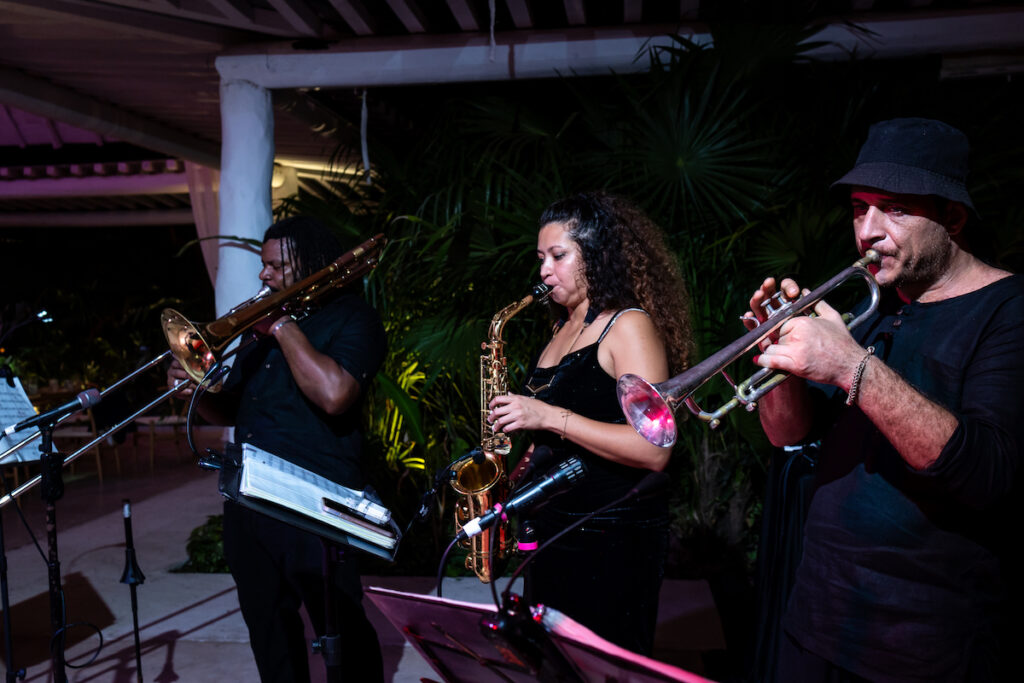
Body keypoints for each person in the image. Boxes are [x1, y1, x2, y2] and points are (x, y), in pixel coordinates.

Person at [745, 118, 1024, 681]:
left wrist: (850, 365)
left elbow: (987, 471)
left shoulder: (1008, 310)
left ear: (952, 217)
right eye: (858, 207)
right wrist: (778, 361)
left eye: (894, 208)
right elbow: (791, 436)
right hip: (818, 618)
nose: (867, 230)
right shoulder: (875, 311)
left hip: (924, 646)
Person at [168, 216, 387, 683]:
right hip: (249, 498)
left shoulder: (354, 318)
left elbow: (335, 394)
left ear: (310, 264)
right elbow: (232, 410)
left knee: (341, 626)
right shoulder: (259, 331)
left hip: (315, 502)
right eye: (262, 266)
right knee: (268, 626)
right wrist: (197, 393)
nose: (263, 276)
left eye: (275, 266)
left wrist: (283, 326)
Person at [487, 191, 693, 655]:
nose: (544, 270)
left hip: (611, 538)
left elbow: (654, 450)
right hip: (553, 533)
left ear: (595, 256)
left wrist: (549, 415)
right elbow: (553, 439)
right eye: (541, 258)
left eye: (559, 256)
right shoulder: (559, 331)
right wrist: (507, 485)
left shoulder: (628, 326)